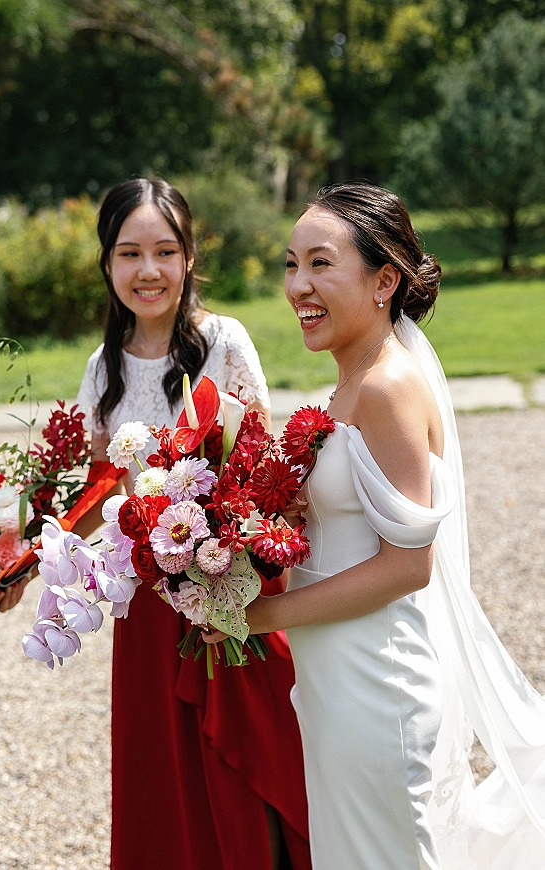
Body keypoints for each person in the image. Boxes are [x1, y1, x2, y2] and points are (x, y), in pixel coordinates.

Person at [206, 183, 545, 868]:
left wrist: (259, 615)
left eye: (321, 264)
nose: (298, 285)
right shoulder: (351, 379)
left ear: (385, 279)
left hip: (378, 683)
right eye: (290, 263)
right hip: (337, 678)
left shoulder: (389, 386)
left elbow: (406, 565)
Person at [76, 178, 311, 870]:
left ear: (188, 258)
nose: (148, 271)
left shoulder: (223, 343)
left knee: (245, 770)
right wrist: (34, 553)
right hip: (147, 608)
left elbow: (264, 471)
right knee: (163, 777)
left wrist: (226, 568)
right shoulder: (102, 369)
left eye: (164, 251)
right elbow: (99, 485)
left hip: (229, 590)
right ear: (107, 264)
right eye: (129, 253)